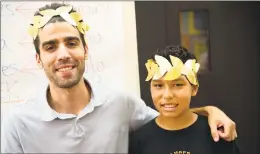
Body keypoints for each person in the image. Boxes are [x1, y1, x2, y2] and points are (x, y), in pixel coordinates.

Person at [1, 3, 237, 153]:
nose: (63, 54)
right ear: (38, 58)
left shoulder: (121, 103)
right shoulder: (18, 125)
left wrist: (210, 110)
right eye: (51, 47)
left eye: (71, 43)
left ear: (85, 50)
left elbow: (171, 117)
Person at [129, 45, 240, 154]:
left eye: (177, 84)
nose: (167, 95)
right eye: (158, 85)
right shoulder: (140, 140)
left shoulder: (217, 133)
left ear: (194, 88)